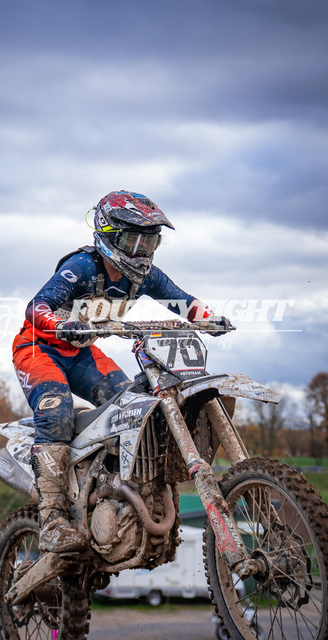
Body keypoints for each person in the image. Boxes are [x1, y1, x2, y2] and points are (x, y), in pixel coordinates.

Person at [12, 190, 229, 553]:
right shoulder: (83, 266)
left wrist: (211, 319)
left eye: (150, 242)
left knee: (133, 408)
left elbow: (183, 301)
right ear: (108, 234)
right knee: (57, 411)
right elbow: (37, 306)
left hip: (82, 353)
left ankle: (119, 494)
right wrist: (60, 324)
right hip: (39, 348)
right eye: (133, 241)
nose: (141, 252)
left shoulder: (144, 277)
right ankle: (52, 520)